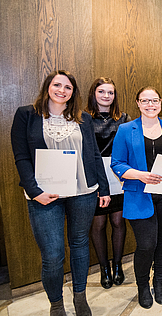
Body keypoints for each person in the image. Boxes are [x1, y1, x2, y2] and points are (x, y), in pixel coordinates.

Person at [11, 70, 111, 316]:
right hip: (44, 196)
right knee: (53, 255)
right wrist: (34, 192)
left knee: (79, 245)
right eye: (57, 85)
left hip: (83, 192)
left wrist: (104, 188)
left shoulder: (83, 119)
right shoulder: (26, 115)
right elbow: (21, 156)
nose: (62, 91)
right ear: (48, 86)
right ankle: (56, 304)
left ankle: (80, 297)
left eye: (68, 87)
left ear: (73, 93)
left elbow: (94, 155)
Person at [111, 86, 162, 309]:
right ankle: (143, 285)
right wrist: (140, 175)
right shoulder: (126, 129)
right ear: (137, 103)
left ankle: (159, 281)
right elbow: (117, 164)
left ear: (160, 103)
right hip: (139, 196)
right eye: (145, 101)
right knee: (146, 244)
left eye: (154, 100)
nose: (150, 105)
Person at [85, 77, 131, 290]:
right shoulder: (83, 118)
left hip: (118, 174)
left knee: (118, 222)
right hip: (93, 175)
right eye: (101, 91)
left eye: (110, 92)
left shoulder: (123, 118)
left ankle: (118, 265)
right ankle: (104, 268)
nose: (106, 96)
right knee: (99, 224)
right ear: (94, 93)